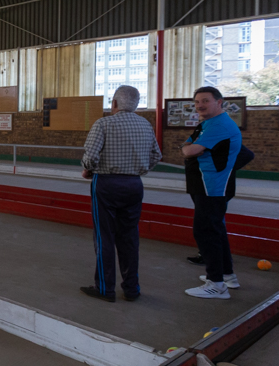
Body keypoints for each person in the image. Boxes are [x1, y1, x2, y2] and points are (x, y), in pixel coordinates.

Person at [78, 85, 162, 303]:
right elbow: (156, 155)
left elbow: (90, 157)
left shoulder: (104, 124)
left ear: (114, 103)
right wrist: (138, 169)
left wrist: (88, 170)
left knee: (104, 236)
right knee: (129, 237)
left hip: (106, 184)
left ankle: (105, 288)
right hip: (134, 184)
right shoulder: (145, 125)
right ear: (136, 104)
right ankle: (131, 288)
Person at [182, 87, 242, 300]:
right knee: (216, 230)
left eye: (205, 101)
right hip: (204, 186)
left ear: (219, 102)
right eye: (197, 102)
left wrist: (191, 148)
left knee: (206, 232)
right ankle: (227, 276)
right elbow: (189, 145)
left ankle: (216, 284)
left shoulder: (220, 125)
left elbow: (189, 149)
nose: (200, 105)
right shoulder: (207, 124)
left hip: (212, 188)